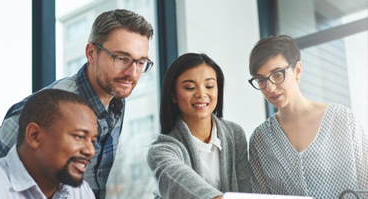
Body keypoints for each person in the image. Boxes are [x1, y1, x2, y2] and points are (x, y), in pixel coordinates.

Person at [0, 9, 154, 199]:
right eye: (122, 59)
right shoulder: (49, 108)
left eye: (140, 62)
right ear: (91, 53)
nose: (133, 73)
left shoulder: (116, 100)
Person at [247, 35, 368, 198]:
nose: (270, 87)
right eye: (261, 80)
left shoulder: (342, 120)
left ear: (297, 70)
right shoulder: (260, 139)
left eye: (277, 75)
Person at [147, 53, 251, 199]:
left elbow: (246, 191)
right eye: (189, 87)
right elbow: (183, 186)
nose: (202, 94)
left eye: (209, 86)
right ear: (173, 95)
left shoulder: (235, 134)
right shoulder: (160, 150)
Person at [0, 89, 98, 198]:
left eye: (92, 140)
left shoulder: (80, 191)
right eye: (79, 137)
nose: (90, 151)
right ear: (34, 136)